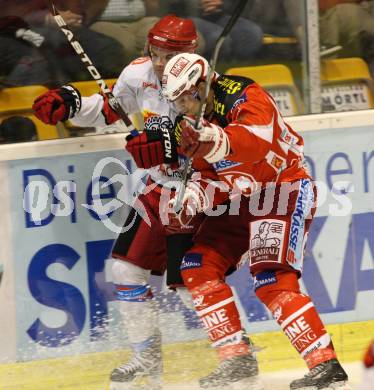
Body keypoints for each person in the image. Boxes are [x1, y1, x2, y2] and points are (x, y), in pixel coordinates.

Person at [128, 52, 350, 389]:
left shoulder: (244, 94)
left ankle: (325, 364)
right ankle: (236, 359)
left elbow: (257, 146)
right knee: (195, 265)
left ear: (203, 85)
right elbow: (210, 179)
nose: (184, 106)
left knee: (272, 278)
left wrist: (217, 141)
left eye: (187, 97)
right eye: (177, 101)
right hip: (241, 199)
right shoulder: (187, 124)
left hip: (281, 191)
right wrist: (191, 199)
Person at [32, 15, 208, 390]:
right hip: (157, 189)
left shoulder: (205, 83)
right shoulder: (138, 73)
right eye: (155, 53)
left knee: (189, 286)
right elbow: (111, 107)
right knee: (126, 271)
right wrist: (72, 103)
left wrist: (169, 145)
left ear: (189, 54)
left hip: (198, 193)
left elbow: (213, 142)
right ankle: (146, 359)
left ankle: (236, 352)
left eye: (169, 55)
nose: (160, 63)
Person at [0, 0, 125, 87]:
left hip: (51, 27)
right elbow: (8, 15)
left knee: (109, 47)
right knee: (45, 42)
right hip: (13, 30)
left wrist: (67, 17)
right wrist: (47, 18)